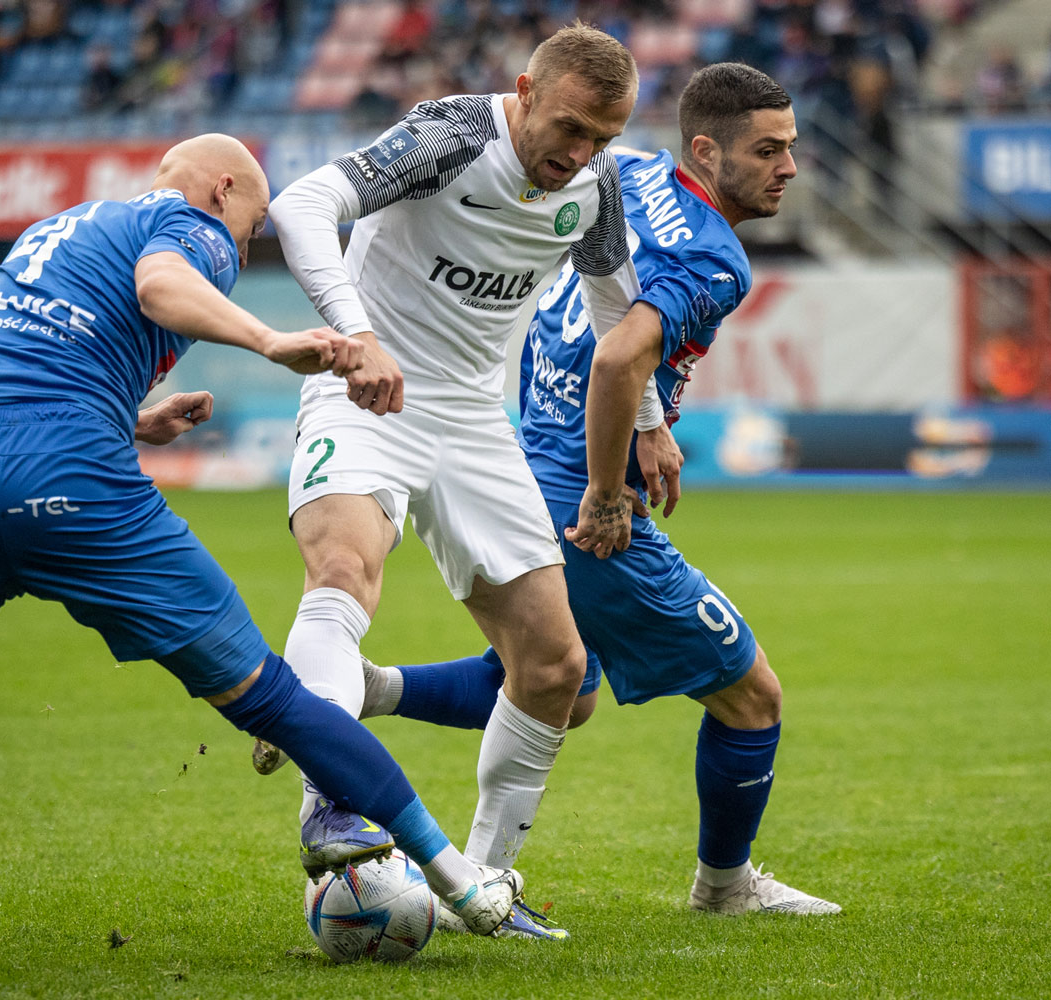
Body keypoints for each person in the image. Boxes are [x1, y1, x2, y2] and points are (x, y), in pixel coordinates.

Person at [0, 135, 525, 975]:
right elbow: (160, 285)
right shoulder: (191, 230)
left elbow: (10, 366)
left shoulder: (52, 230)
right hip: (68, 485)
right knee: (274, 700)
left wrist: (131, 419)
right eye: (251, 225)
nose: (244, 241)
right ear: (222, 191)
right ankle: (463, 883)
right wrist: (271, 340)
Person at [303, 63, 843, 921]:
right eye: (768, 149)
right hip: (579, 494)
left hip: (519, 438)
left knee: (562, 679)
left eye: (791, 149)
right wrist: (605, 489)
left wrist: (653, 424)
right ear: (707, 150)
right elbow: (620, 352)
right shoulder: (711, 253)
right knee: (751, 696)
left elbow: (597, 313)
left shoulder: (622, 175)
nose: (787, 166)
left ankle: (342, 693)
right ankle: (724, 887)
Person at [261, 22, 675, 940]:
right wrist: (353, 333)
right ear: (524, 90)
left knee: (560, 672)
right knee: (343, 574)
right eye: (568, 127)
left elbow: (614, 297)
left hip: (476, 421)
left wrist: (648, 423)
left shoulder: (595, 182)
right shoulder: (450, 135)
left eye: (602, 139)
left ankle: (483, 880)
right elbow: (300, 203)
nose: (581, 154)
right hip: (367, 394)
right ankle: (332, 802)